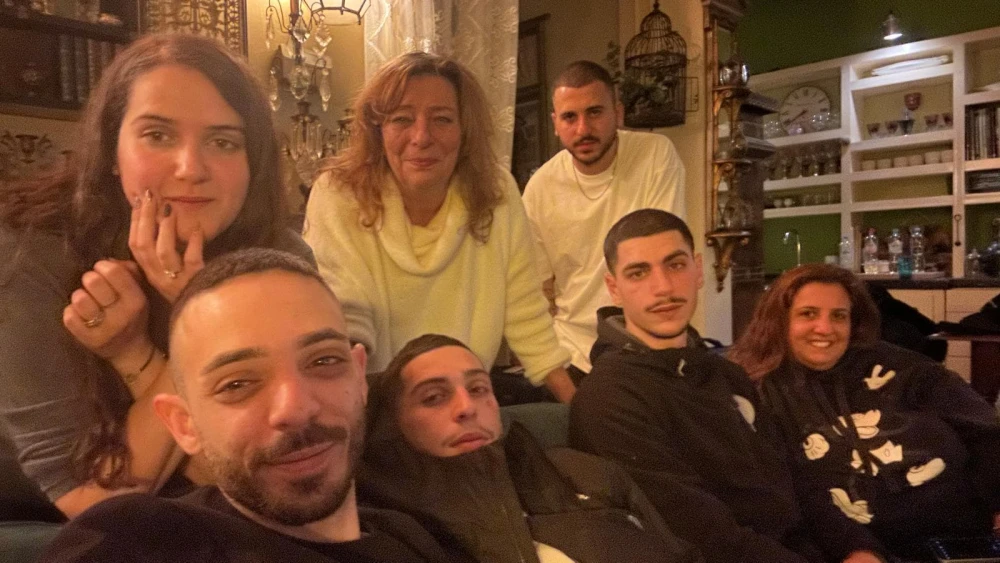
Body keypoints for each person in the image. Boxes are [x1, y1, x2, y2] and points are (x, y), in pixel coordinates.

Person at [0, 33, 313, 518]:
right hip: (39, 521)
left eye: (223, 141)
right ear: (110, 150)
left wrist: (175, 320)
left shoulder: (280, 258)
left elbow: (262, 464)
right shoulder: (33, 251)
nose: (191, 168)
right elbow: (89, 500)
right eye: (158, 135)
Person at [39, 249, 463, 563]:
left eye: (323, 361)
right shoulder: (142, 540)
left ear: (359, 376)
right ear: (184, 425)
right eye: (238, 383)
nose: (295, 408)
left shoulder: (412, 536)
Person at [569, 209, 839, 563]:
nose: (663, 287)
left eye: (676, 265)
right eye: (638, 273)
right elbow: (705, 540)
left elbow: (796, 481)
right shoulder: (608, 400)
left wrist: (856, 546)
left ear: (697, 270)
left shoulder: (726, 375)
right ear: (614, 289)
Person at [303, 51, 574, 402]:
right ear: (377, 130)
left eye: (442, 120)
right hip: (376, 401)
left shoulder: (497, 192)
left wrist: (578, 409)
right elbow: (345, 316)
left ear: (465, 130)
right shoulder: (338, 194)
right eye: (401, 119)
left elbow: (527, 314)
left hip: (464, 404)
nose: (421, 137)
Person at [729, 263, 1000, 562]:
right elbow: (789, 493)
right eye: (808, 314)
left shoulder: (907, 369)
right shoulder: (758, 394)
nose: (825, 328)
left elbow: (986, 433)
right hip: (854, 547)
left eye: (839, 316)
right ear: (779, 322)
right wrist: (857, 549)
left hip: (961, 542)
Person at [359, 333, 702, 563]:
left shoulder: (585, 472)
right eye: (434, 397)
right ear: (396, 422)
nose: (466, 407)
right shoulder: (391, 529)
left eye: (478, 388)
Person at [522, 60, 685, 380]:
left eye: (595, 112)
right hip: (574, 353)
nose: (583, 129)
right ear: (555, 123)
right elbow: (541, 291)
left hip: (649, 345)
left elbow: (659, 257)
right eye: (570, 117)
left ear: (618, 114)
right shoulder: (540, 188)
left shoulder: (655, 156)